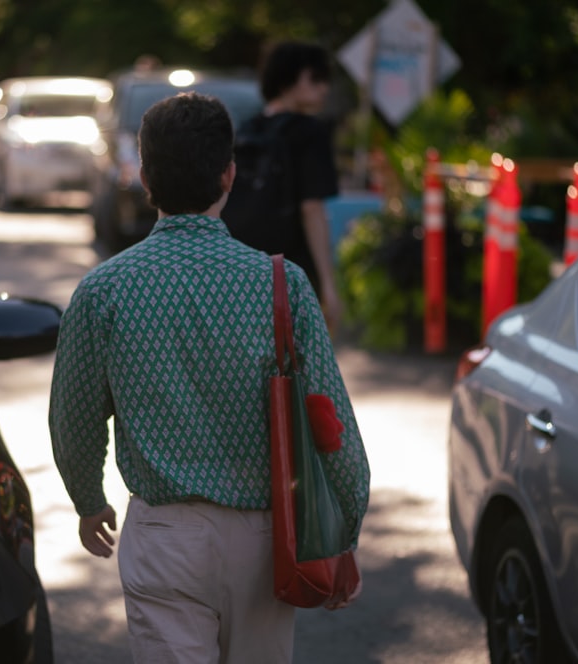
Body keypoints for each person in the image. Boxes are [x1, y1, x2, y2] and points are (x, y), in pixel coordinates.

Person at [48, 91, 370, 664]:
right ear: (229, 175)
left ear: (145, 179)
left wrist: (88, 498)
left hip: (164, 538)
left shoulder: (105, 290)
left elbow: (73, 416)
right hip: (267, 540)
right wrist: (345, 527)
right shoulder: (282, 283)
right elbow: (330, 419)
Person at [222, 40, 343, 333]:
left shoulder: (246, 128)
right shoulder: (310, 131)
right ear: (291, 79)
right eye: (316, 78)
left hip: (238, 264)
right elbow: (312, 209)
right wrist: (328, 284)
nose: (323, 88)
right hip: (289, 269)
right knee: (289, 362)